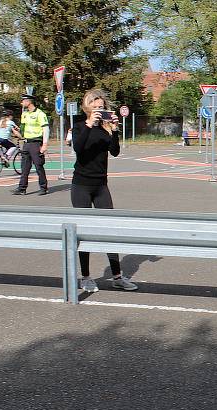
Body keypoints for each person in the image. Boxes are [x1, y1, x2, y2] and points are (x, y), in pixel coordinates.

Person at [71, 88, 138, 292]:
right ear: (87, 108)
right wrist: (90, 124)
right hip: (81, 185)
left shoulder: (105, 129)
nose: (99, 110)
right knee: (83, 233)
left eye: (102, 107)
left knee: (109, 229)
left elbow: (115, 152)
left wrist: (116, 129)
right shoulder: (79, 127)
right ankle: (86, 277)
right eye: (95, 107)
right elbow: (78, 148)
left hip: (101, 185)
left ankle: (117, 276)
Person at [12, 92, 50, 195]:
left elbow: (45, 129)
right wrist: (18, 132)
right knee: (24, 167)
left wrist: (45, 145)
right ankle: (22, 188)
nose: (21, 103)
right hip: (26, 143)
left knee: (38, 166)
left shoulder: (40, 114)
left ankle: (43, 187)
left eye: (23, 100)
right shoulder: (24, 114)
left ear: (29, 102)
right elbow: (23, 130)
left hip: (36, 143)